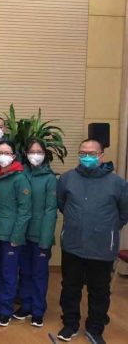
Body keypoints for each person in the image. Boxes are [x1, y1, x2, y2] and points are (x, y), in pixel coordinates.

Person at [56, 139, 128, 344]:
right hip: (73, 244)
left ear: (101, 155)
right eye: (82, 153)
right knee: (70, 287)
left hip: (102, 246)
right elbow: (61, 203)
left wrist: (106, 227)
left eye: (92, 153)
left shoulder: (118, 183)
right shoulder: (67, 179)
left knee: (99, 290)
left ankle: (95, 329)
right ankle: (70, 324)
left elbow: (124, 213)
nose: (87, 157)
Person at [14, 138, 57, 328]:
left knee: (39, 274)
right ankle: (26, 306)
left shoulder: (49, 178)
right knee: (25, 272)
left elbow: (50, 210)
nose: (35, 155)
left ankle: (38, 310)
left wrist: (45, 239)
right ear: (26, 154)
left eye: (39, 152)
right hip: (22, 233)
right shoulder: (20, 174)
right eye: (32, 152)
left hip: (40, 235)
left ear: (45, 154)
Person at [0, 140, 32, 327]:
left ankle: (6, 310)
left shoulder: (20, 178)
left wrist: (17, 236)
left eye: (7, 153)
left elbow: (25, 211)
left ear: (13, 156)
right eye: (0, 152)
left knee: (8, 273)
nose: (3, 156)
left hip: (11, 235)